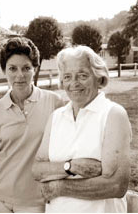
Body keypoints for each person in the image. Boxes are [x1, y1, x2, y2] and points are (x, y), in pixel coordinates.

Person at [32, 45, 132, 213]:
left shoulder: (113, 114)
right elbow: (37, 169)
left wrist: (59, 186)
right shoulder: (56, 117)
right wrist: (72, 167)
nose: (74, 83)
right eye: (67, 77)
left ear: (99, 78)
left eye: (82, 75)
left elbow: (116, 185)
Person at [0, 37, 64, 213]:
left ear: (35, 69)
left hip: (37, 201)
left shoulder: (55, 103)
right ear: (4, 71)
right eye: (12, 69)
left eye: (26, 68)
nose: (20, 75)